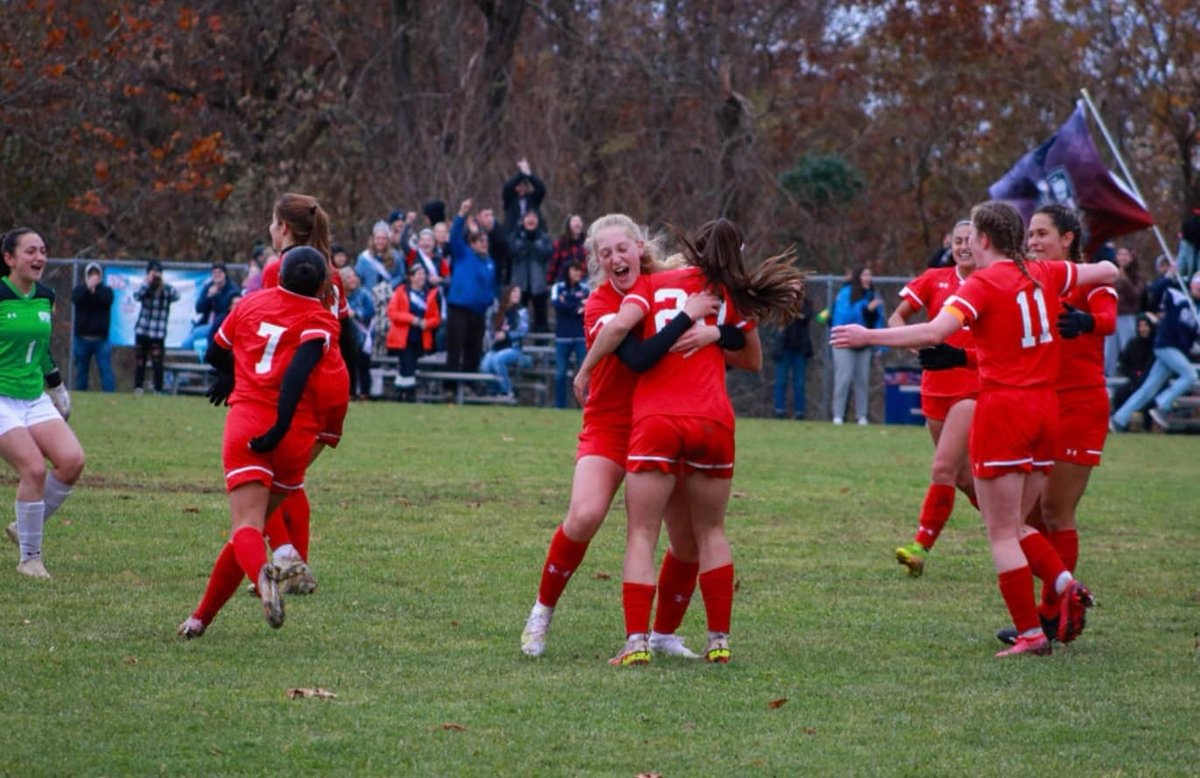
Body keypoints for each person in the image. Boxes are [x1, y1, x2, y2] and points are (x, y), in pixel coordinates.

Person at [831, 201, 1117, 657]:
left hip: (1004, 408)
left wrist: (868, 336)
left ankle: (1030, 633)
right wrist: (1094, 267)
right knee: (1020, 524)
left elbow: (933, 331)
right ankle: (1064, 583)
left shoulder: (985, 283)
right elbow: (1106, 271)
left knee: (1002, 531)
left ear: (984, 240)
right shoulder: (1046, 274)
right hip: (1047, 409)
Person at [573, 218, 805, 665]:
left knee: (642, 533)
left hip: (659, 421)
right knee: (711, 531)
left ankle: (637, 642)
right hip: (714, 423)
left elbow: (622, 332)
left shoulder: (654, 284)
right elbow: (753, 361)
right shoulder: (724, 292)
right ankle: (718, 640)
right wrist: (718, 332)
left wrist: (584, 369)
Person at [519, 213, 743, 660]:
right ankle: (542, 611)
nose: (616, 258)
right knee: (584, 516)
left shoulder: (668, 281)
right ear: (597, 264)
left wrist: (716, 328)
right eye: (605, 254)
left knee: (685, 542)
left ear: (639, 247)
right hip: (611, 425)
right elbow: (638, 357)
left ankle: (662, 635)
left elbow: (731, 324)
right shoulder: (601, 306)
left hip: (663, 423)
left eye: (622, 248)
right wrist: (684, 319)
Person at [177, 247, 341, 638]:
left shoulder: (251, 302)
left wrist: (237, 375)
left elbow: (217, 351)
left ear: (278, 275)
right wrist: (286, 425)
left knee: (246, 527)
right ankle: (199, 619)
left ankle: (262, 575)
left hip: (250, 420)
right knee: (257, 522)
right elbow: (301, 371)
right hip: (295, 433)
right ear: (322, 285)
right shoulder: (321, 317)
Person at [993, 204, 1116, 647]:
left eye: (1042, 233)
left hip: (1079, 406)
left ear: (1068, 238)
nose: (1033, 241)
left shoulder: (1084, 276)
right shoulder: (1035, 280)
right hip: (1039, 404)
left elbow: (1108, 317)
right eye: (1030, 235)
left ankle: (1052, 614)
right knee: (1024, 516)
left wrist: (1088, 322)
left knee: (1054, 512)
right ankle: (1054, 602)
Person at [256, 192, 352, 595]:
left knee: (259, 478)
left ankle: (285, 558)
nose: (269, 229)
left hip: (294, 386)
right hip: (329, 386)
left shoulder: (278, 270)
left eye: (272, 222)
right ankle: (298, 565)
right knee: (290, 480)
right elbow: (343, 334)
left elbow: (272, 332)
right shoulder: (329, 270)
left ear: (284, 228)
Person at [888, 219, 979, 576]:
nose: (963, 247)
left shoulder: (988, 282)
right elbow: (898, 317)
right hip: (935, 388)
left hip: (972, 388)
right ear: (949, 243)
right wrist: (911, 339)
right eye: (957, 241)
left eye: (970, 240)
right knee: (961, 477)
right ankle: (1020, 529)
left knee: (943, 467)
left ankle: (919, 546)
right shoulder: (934, 278)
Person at [0, 228, 85, 579]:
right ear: (9, 258)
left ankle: (23, 526)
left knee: (72, 461)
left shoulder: (46, 296)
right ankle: (29, 558)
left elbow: (42, 351)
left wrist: (58, 389)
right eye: (30, 251)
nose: (39, 258)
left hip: (32, 396)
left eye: (43, 251)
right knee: (33, 468)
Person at [1110, 271, 1200, 432]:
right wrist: (1168, 276)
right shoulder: (1178, 295)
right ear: (1191, 283)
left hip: (1178, 351)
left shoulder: (1197, 311)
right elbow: (1156, 291)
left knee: (1148, 389)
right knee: (1190, 375)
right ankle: (1162, 404)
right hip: (1166, 346)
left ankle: (1119, 419)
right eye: (1197, 283)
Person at [444, 199, 497, 380]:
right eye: (480, 241)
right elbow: (455, 237)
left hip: (479, 312)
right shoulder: (463, 254)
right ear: (472, 243)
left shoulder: (490, 263)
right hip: (459, 310)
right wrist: (461, 214)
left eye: (485, 241)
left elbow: (490, 287)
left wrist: (489, 300)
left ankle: (469, 385)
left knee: (473, 350)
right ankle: (450, 387)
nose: (484, 244)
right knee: (455, 349)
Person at [830, 267, 883, 425]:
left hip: (865, 343)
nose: (868, 278)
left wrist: (880, 344)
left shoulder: (873, 295)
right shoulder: (846, 293)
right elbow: (844, 316)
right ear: (857, 277)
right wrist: (865, 308)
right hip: (844, 341)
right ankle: (838, 415)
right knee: (843, 379)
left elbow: (878, 320)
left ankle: (862, 416)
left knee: (862, 380)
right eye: (865, 274)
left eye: (870, 275)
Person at [386, 263, 441, 402]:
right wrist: (412, 320)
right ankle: (410, 395)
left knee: (407, 367)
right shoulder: (401, 291)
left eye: (423, 273)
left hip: (421, 338)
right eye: (418, 274)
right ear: (411, 277)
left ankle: (399, 394)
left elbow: (436, 317)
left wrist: (426, 323)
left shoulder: (430, 294)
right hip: (403, 337)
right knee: (407, 365)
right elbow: (392, 313)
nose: (422, 277)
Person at [132, 259, 180, 395]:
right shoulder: (144, 287)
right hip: (143, 330)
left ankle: (158, 389)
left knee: (157, 363)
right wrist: (148, 283)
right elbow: (137, 296)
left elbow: (177, 295)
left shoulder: (166, 289)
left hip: (158, 332)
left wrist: (161, 285)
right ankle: (138, 388)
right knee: (140, 361)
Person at [71, 261, 116, 392]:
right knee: (81, 370)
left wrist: (95, 290)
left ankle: (109, 394)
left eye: (96, 274)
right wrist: (87, 288)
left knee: (105, 369)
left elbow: (105, 300)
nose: (93, 277)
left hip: (101, 339)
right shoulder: (80, 290)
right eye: (91, 274)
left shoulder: (106, 291)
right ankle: (80, 392)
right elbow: (76, 299)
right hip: (82, 339)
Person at [481, 285, 532, 399]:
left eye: (519, 292)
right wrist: (495, 336)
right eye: (514, 292)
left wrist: (507, 335)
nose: (517, 294)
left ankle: (507, 392)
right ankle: (493, 391)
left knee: (498, 359)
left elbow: (523, 331)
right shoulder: (497, 311)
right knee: (485, 364)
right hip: (497, 348)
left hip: (515, 349)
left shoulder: (521, 312)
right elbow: (490, 331)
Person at [550, 260, 589, 408]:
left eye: (580, 270)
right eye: (575, 270)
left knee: (583, 373)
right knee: (560, 373)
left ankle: (585, 406)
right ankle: (559, 406)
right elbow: (557, 305)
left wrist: (568, 304)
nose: (578, 273)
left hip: (580, 336)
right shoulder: (557, 287)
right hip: (562, 337)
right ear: (567, 271)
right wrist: (576, 306)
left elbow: (587, 306)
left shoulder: (586, 288)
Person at [509, 211, 554, 332]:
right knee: (518, 316)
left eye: (534, 217)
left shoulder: (543, 237)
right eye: (528, 217)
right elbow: (512, 252)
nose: (531, 220)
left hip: (538, 283)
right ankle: (517, 342)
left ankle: (541, 345)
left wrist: (534, 245)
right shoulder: (516, 235)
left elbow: (548, 253)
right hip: (520, 283)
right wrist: (524, 244)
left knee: (541, 317)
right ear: (523, 220)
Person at [1105, 246, 1146, 376]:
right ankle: (1108, 377)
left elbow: (1136, 295)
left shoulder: (1136, 276)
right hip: (1111, 315)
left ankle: (1131, 375)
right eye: (1120, 254)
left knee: (1127, 347)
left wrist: (1124, 280)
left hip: (1127, 316)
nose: (1122, 257)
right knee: (1108, 352)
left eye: (1125, 254)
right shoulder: (1110, 273)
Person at [772, 295, 814, 420]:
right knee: (780, 381)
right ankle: (779, 410)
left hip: (800, 349)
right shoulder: (781, 301)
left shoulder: (806, 303)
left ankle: (799, 412)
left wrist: (794, 314)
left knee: (799, 383)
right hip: (783, 348)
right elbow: (780, 318)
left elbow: (805, 317)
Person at [1110, 314, 1156, 420]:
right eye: (1140, 326)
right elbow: (1124, 364)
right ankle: (1117, 420)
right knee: (1120, 393)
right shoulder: (1132, 343)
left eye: (1145, 326)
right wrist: (1134, 376)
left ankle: (1148, 424)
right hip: (1134, 380)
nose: (1143, 329)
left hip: (1151, 381)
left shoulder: (1155, 345)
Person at [341, 267, 375, 400]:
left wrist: (356, 314)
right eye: (349, 277)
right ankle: (350, 392)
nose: (352, 279)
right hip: (346, 336)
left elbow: (370, 312)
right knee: (348, 364)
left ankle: (364, 392)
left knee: (363, 364)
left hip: (362, 335)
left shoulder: (364, 294)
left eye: (354, 276)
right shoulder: (340, 296)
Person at [195, 262, 241, 357]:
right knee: (190, 340)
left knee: (194, 336)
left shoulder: (233, 289)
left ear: (225, 274)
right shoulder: (209, 287)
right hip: (206, 323)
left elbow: (225, 310)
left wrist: (217, 295)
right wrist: (209, 296)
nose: (217, 275)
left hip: (221, 325)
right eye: (214, 273)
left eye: (219, 272)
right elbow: (198, 308)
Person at [502, 158, 546, 234]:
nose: (521, 188)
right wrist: (521, 173)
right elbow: (507, 187)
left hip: (532, 232)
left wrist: (529, 174)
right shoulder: (510, 199)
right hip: (513, 233)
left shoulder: (533, 199)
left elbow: (541, 188)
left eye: (524, 186)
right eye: (519, 186)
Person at [356, 220, 399, 291]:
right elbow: (357, 278)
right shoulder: (363, 258)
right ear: (373, 240)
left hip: (391, 296)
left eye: (383, 239)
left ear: (388, 241)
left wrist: (389, 285)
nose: (380, 242)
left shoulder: (396, 256)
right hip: (370, 296)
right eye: (378, 238)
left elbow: (401, 275)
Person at [548, 214, 587, 286]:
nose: (577, 223)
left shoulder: (586, 243)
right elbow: (553, 263)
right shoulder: (560, 243)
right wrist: (549, 281)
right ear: (568, 225)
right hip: (563, 280)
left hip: (582, 281)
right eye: (574, 221)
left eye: (579, 221)